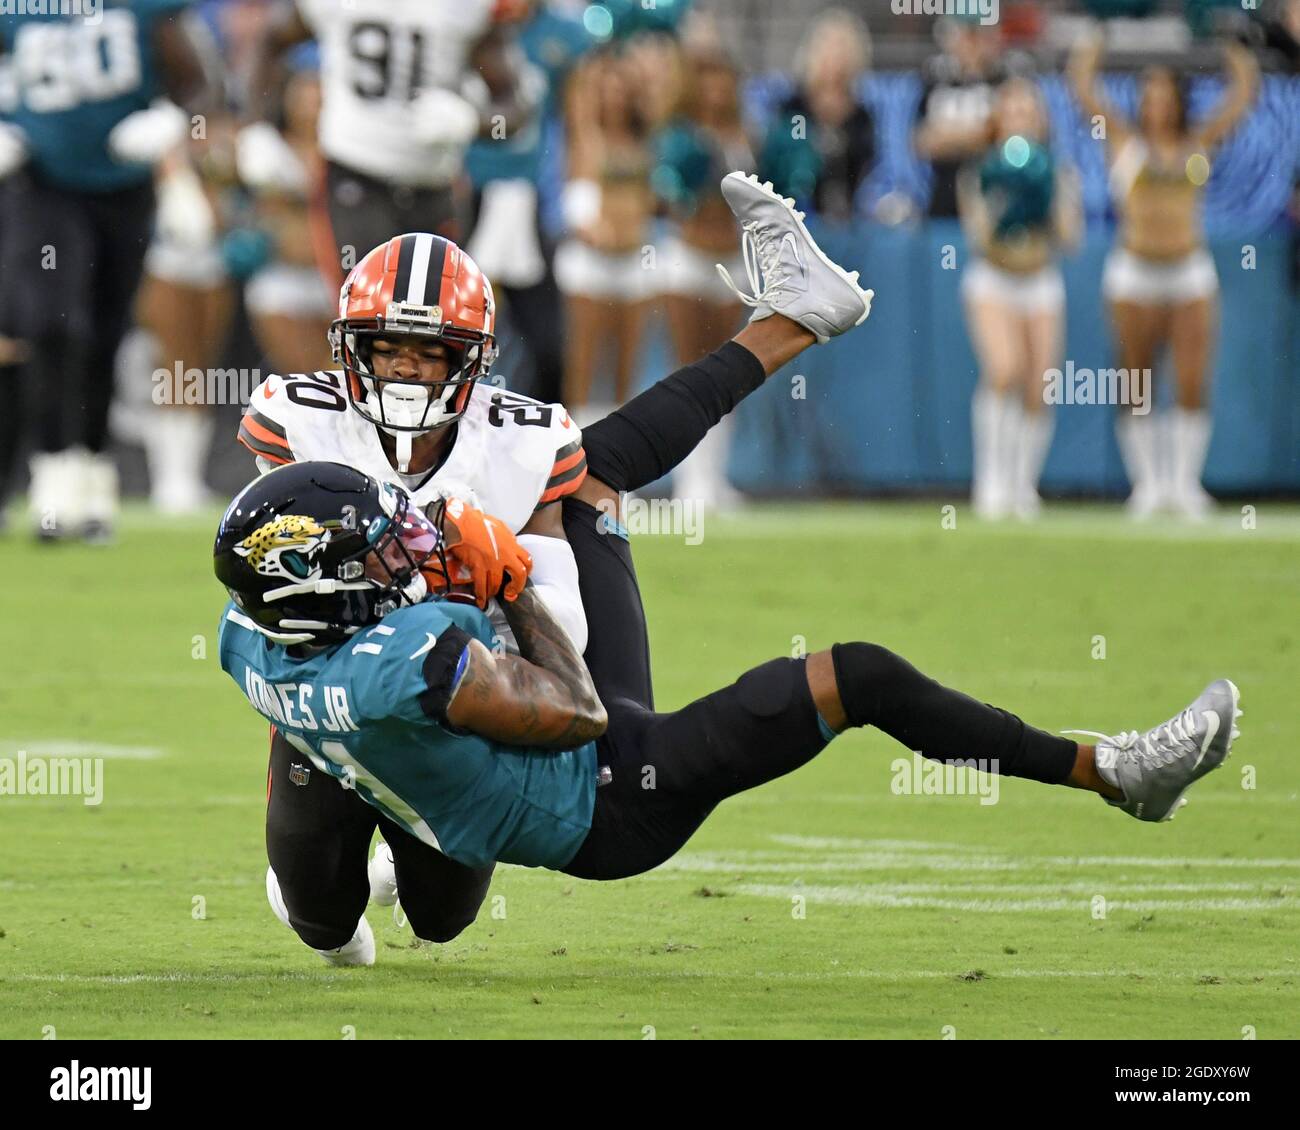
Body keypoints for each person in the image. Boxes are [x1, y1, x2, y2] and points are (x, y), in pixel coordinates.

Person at [215, 453, 1240, 966]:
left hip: (447, 766)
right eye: (388, 554)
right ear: (325, 586)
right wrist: (510, 580)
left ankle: (780, 318)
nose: (411, 555)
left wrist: (432, 562)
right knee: (858, 675)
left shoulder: (250, 635)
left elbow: (352, 631)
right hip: (605, 797)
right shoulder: (408, 664)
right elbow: (579, 713)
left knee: (589, 482)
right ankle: (1113, 772)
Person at [224, 172, 876, 963]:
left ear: (472, 362)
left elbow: (561, 632)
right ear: (349, 351)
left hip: (454, 709)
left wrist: (500, 578)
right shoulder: (304, 419)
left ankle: (793, 320)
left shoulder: (523, 443)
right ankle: (792, 320)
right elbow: (265, 579)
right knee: (322, 921)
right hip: (332, 701)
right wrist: (429, 564)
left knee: (441, 921)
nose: (404, 370)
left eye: (430, 353)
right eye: (385, 347)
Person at [0, 0, 215, 541]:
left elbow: (201, 86)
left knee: (105, 333)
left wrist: (168, 122)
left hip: (124, 190)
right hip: (41, 182)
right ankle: (53, 473)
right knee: (52, 322)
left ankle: (93, 475)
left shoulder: (143, 8)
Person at [1070, 34, 1257, 519]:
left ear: (1177, 101)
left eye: (1164, 95)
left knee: (1193, 379)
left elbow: (1242, 97)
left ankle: (1184, 482)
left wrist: (1234, 52)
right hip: (1135, 273)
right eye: (1148, 96)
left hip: (1189, 271)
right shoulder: (1123, 141)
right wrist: (1098, 38)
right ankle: (1148, 484)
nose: (1156, 105)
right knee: (1136, 378)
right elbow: (1083, 87)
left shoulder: (1198, 143)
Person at [241, 0, 537, 282]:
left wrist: (472, 120)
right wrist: (256, 128)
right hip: (354, 175)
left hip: (434, 185)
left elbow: (515, 105)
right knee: (364, 312)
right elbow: (271, 40)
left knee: (435, 318)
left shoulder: (467, 8)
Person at [958, 76, 1081, 521]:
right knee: (1004, 369)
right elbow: (979, 239)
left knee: (1039, 383)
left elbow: (1071, 239)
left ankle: (1022, 484)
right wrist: (1001, 203)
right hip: (994, 278)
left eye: (1027, 112)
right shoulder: (981, 171)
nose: (1020, 120)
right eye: (1011, 112)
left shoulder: (1058, 168)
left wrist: (1048, 196)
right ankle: (989, 481)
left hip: (1040, 280)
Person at [653, 41, 754, 511]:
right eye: (707, 78)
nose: (716, 88)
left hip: (731, 260)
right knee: (690, 369)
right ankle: (689, 483)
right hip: (689, 257)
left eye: (724, 78)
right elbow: (670, 194)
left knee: (725, 372)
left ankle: (714, 480)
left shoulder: (744, 135)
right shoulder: (680, 135)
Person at [556, 50, 655, 416]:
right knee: (582, 364)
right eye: (606, 90)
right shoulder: (585, 137)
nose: (613, 98)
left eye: (620, 90)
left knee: (626, 370)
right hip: (590, 264)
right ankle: (574, 455)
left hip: (634, 262)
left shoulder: (644, 139)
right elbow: (578, 192)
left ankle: (619, 463)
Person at [758, 6, 875, 223]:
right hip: (795, 218)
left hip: (847, 222)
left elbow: (867, 166)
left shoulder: (861, 116)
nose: (834, 57)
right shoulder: (793, 107)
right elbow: (782, 161)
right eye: (828, 47)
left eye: (841, 49)